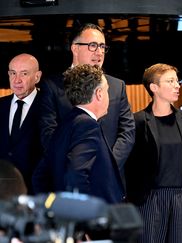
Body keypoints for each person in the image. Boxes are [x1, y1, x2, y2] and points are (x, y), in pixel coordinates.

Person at [38, 23, 135, 175]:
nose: (99, 52)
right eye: (93, 45)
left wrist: (109, 165)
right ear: (75, 48)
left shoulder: (117, 86)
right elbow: (48, 134)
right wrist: (76, 165)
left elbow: (127, 131)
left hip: (110, 180)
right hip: (69, 177)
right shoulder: (52, 86)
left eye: (102, 46)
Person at [125, 63, 182, 243]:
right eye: (170, 81)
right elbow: (131, 165)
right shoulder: (138, 121)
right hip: (151, 199)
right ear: (154, 87)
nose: (177, 85)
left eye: (176, 80)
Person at [32, 64, 124, 204]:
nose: (108, 96)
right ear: (99, 93)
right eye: (107, 91)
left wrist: (52, 209)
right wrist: (83, 216)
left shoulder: (66, 123)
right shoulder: (87, 125)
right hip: (92, 219)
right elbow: (75, 175)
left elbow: (39, 176)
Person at [0, 53, 43, 195]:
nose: (16, 80)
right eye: (13, 73)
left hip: (35, 194)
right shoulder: (1, 105)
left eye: (24, 74)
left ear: (37, 77)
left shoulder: (49, 108)